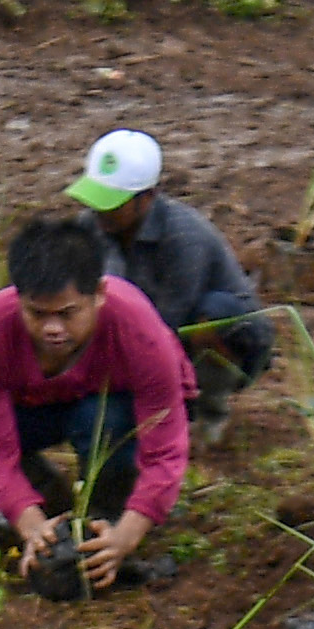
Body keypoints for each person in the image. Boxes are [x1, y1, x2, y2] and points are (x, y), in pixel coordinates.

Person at [0, 214, 191, 597]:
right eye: (38, 313)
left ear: (99, 294)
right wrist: (29, 521)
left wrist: (129, 533)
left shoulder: (141, 335)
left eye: (68, 314)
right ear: (18, 297)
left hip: (108, 408)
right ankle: (52, 506)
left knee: (105, 420)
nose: (53, 328)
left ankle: (103, 520)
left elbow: (165, 448)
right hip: (32, 404)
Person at [68, 130, 272, 426]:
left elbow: (168, 322)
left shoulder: (184, 236)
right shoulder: (89, 227)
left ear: (147, 198)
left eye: (113, 202)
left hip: (206, 334)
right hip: (146, 331)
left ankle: (208, 410)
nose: (101, 210)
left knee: (214, 313)